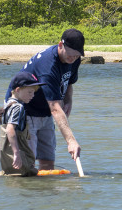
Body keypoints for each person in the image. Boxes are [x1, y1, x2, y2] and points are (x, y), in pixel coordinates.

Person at [5, 28, 84, 170]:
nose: (73, 59)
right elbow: (55, 108)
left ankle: (45, 191)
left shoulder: (74, 60)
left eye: (77, 56)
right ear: (61, 45)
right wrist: (71, 141)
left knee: (47, 160)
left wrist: (68, 100)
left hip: (45, 109)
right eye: (71, 55)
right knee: (28, 163)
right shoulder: (48, 67)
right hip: (25, 109)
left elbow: (69, 81)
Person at [0, 71, 44, 176]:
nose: (32, 96)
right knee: (26, 176)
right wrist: (16, 153)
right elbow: (10, 129)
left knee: (12, 177)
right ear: (17, 90)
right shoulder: (18, 107)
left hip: (4, 151)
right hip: (17, 151)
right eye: (29, 92)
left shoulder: (7, 105)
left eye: (34, 92)